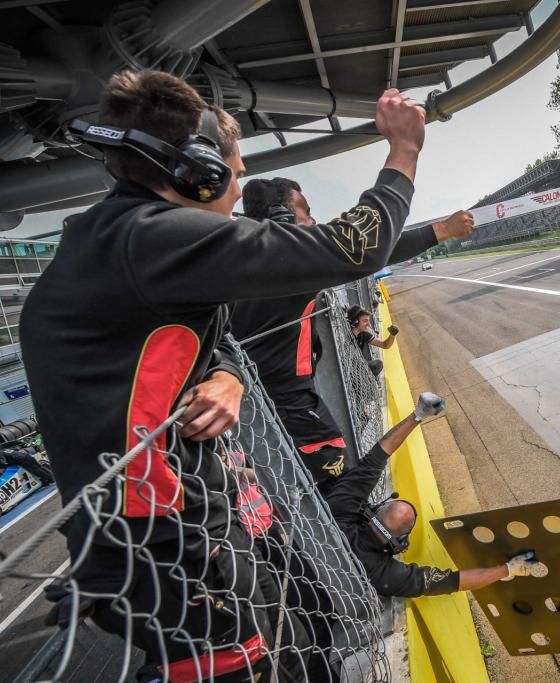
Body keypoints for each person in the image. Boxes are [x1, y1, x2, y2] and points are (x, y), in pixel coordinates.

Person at [20, 68, 425, 681]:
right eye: (232, 173)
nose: (237, 190)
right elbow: (353, 248)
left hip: (176, 529)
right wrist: (404, 150)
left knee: (299, 641)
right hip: (169, 547)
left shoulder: (122, 240)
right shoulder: (153, 238)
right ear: (197, 172)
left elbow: (209, 335)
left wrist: (227, 375)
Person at [230, 179, 473, 497]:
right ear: (282, 217)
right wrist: (441, 230)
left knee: (291, 482)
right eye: (306, 212)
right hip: (289, 405)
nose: (313, 222)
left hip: (255, 403)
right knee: (331, 491)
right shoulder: (288, 263)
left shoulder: (238, 258)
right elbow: (367, 250)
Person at [330, 391, 537, 597]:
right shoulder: (383, 573)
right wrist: (509, 569)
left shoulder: (338, 511)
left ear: (375, 512)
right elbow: (455, 581)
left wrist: (418, 415)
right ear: (400, 542)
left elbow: (378, 455)